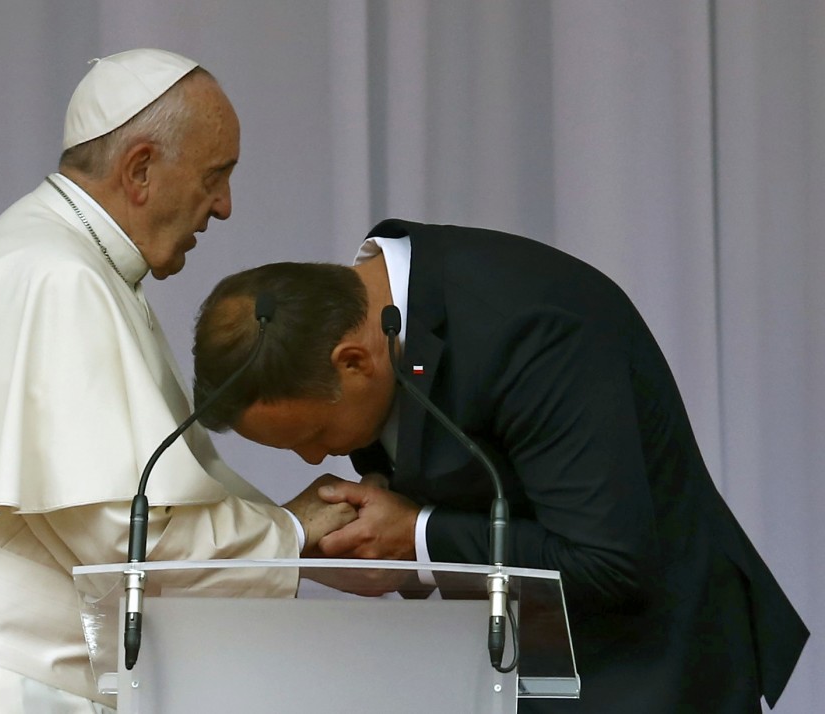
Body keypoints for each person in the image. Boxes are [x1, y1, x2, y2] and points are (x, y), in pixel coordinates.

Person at [0, 49, 352, 714]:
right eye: (214, 177)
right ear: (139, 171)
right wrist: (291, 537)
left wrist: (285, 532)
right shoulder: (61, 276)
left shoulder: (60, 256)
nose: (222, 206)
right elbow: (129, 537)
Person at [191, 218, 809, 713]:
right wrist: (397, 563)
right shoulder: (367, 316)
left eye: (316, 433)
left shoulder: (532, 328)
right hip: (523, 672)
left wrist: (418, 538)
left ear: (354, 362)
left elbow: (607, 562)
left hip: (653, 673)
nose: (314, 458)